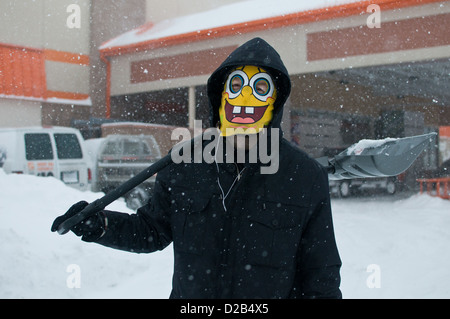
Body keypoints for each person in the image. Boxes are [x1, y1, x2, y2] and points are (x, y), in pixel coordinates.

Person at [52, 37, 342, 299]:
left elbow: (321, 275)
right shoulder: (184, 164)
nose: (245, 97)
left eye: (260, 88)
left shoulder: (304, 177)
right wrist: (99, 225)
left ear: (275, 101)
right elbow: (150, 230)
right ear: (220, 96)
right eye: (237, 85)